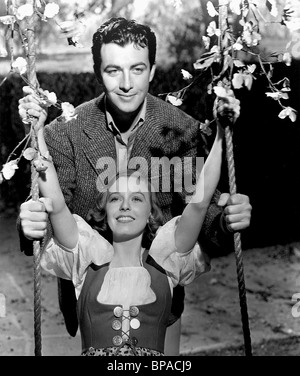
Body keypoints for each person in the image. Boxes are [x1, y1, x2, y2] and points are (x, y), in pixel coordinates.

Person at [18, 17, 252, 355]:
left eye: (137, 69)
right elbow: (53, 203)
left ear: (153, 70)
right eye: (113, 71)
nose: (127, 83)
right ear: (97, 71)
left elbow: (199, 203)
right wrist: (30, 221)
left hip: (161, 295)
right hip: (93, 295)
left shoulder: (179, 130)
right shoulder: (65, 132)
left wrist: (225, 219)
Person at [28, 94, 229, 355]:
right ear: (104, 211)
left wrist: (222, 135)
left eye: (136, 199)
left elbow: (199, 203)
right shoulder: (88, 259)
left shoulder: (164, 260)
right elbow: (55, 203)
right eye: (115, 198)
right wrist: (37, 134)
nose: (125, 205)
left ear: (150, 213)